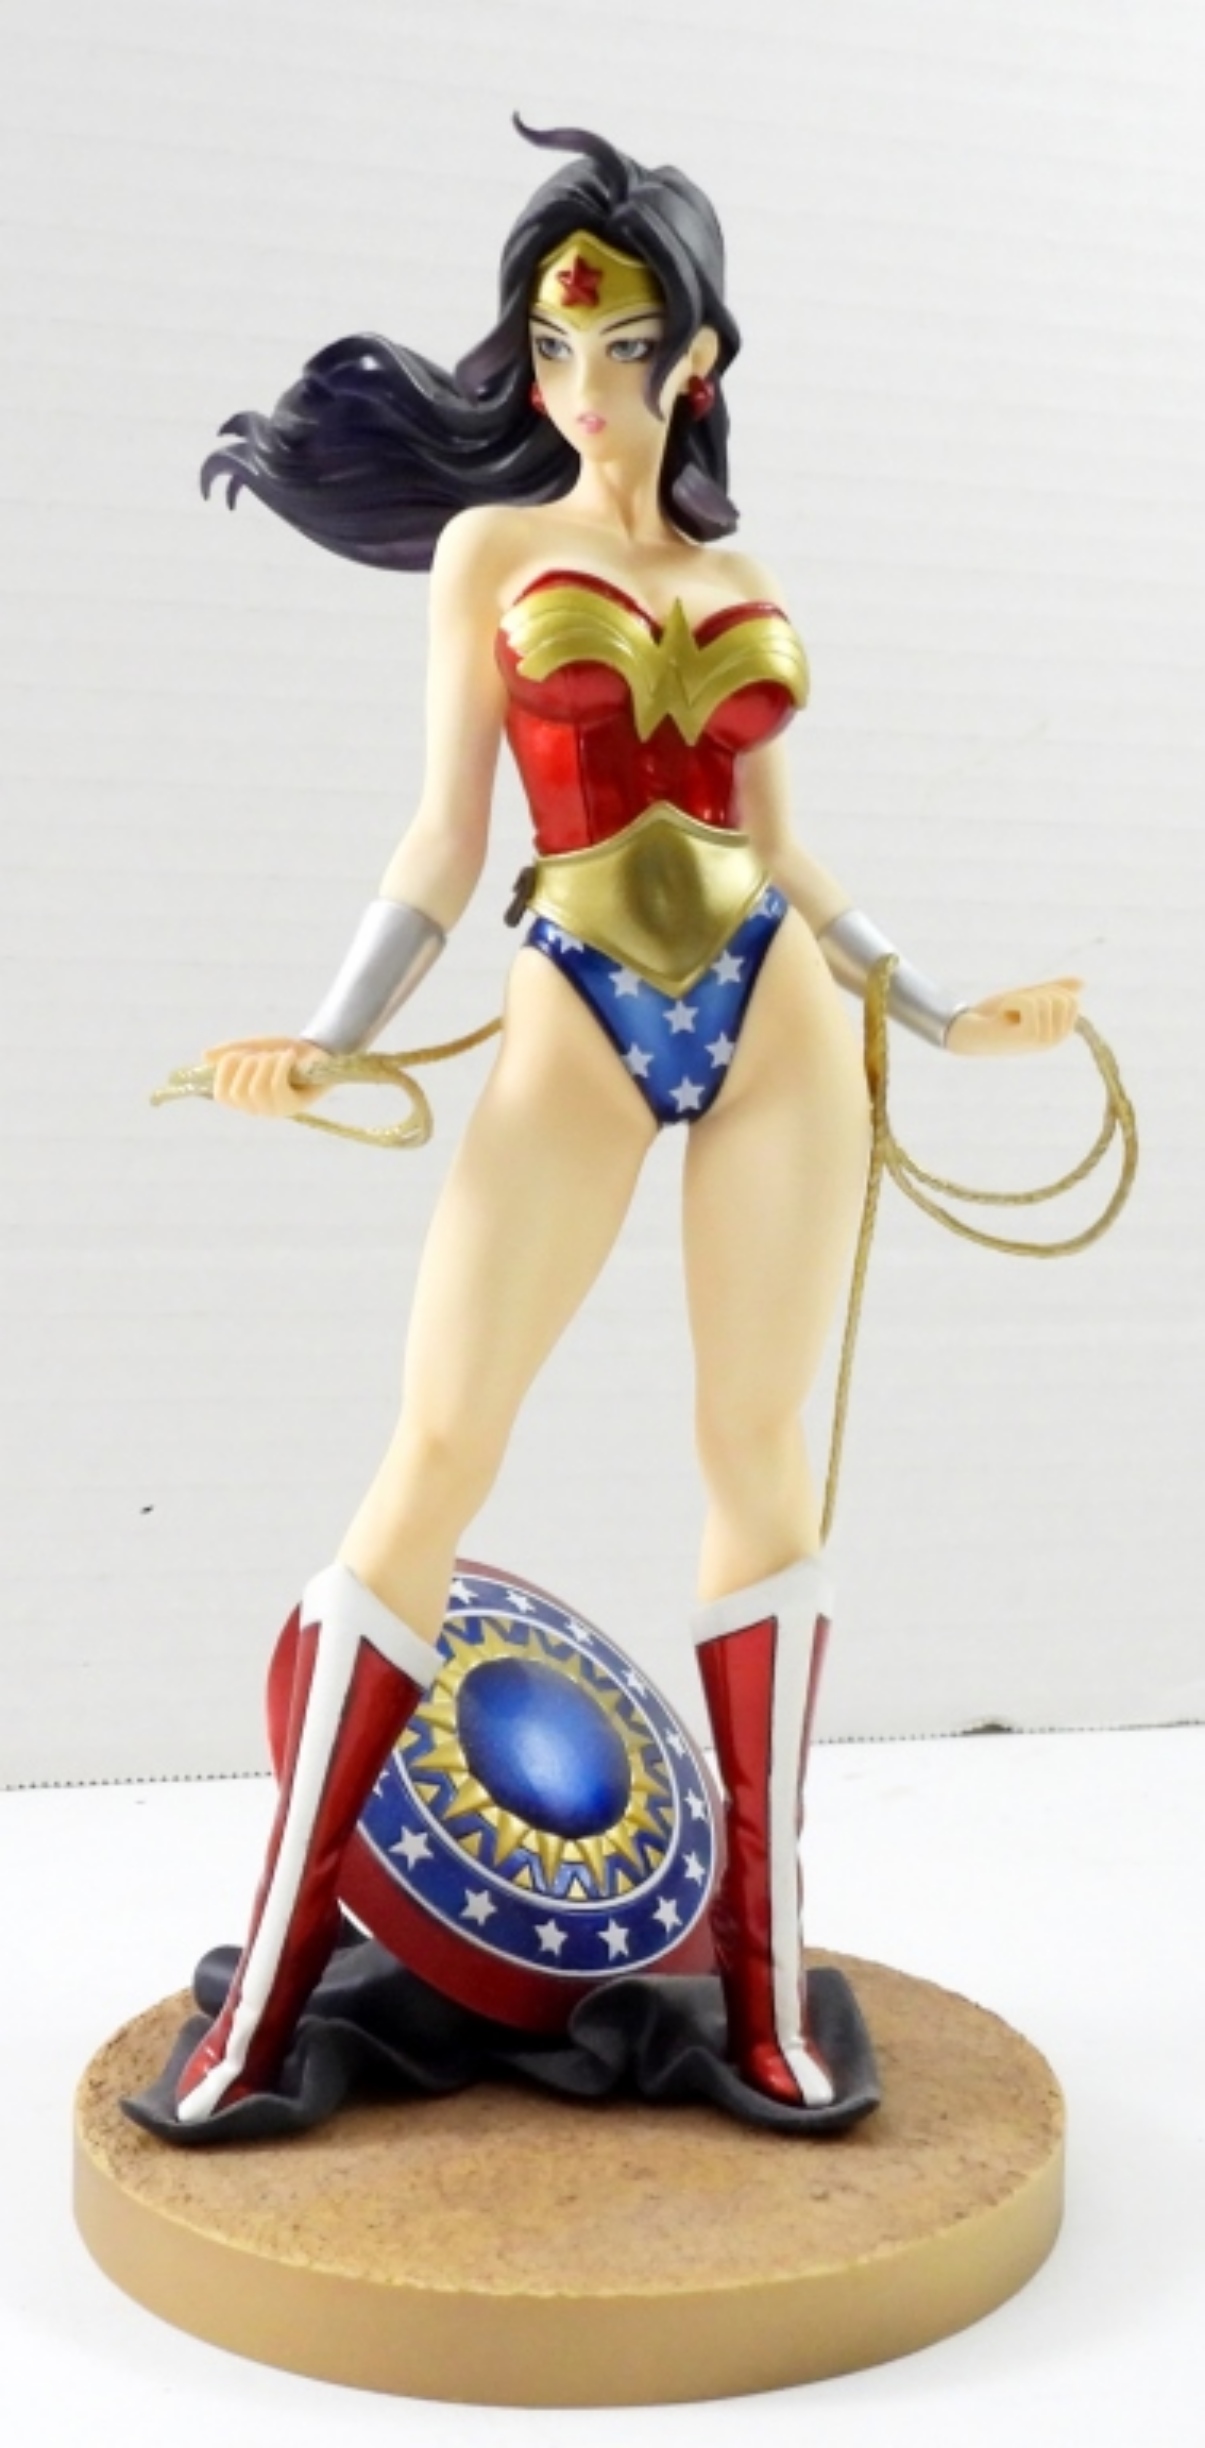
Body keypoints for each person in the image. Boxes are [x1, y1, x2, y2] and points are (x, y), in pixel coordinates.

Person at [172, 119, 1080, 2128]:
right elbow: (442, 838)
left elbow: (789, 852)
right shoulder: (496, 556)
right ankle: (257, 2016)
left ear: (701, 359)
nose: (583, 390)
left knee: (759, 1458)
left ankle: (761, 1991)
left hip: (775, 1015)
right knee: (435, 1446)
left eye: (625, 348)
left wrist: (942, 1009)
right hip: (574, 999)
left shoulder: (743, 578)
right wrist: (323, 1037)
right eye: (553, 349)